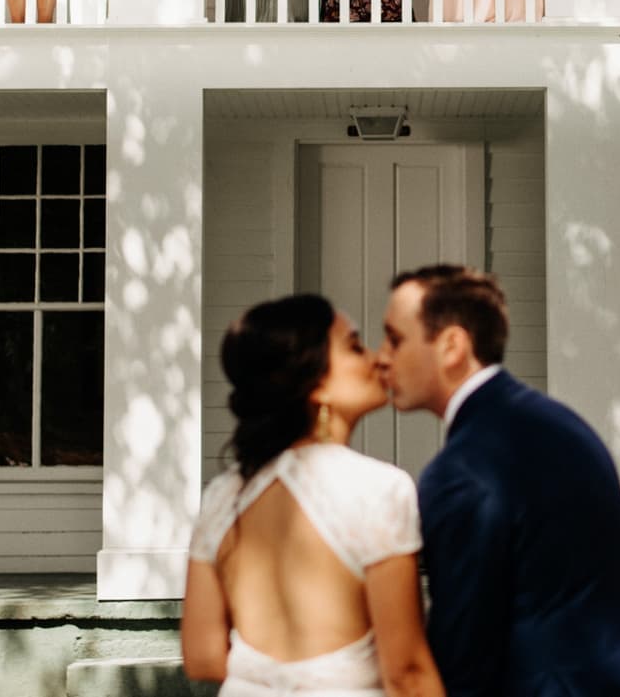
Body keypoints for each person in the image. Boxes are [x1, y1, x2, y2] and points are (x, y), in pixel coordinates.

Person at [378, 265, 620, 697]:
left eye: (395, 338)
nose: (382, 356)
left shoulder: (462, 472)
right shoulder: (560, 423)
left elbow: (465, 652)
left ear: (452, 346)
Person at [182, 294, 445, 697]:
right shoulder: (377, 490)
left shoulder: (222, 496)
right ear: (315, 385)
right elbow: (406, 673)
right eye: (356, 346)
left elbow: (201, 655)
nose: (378, 358)